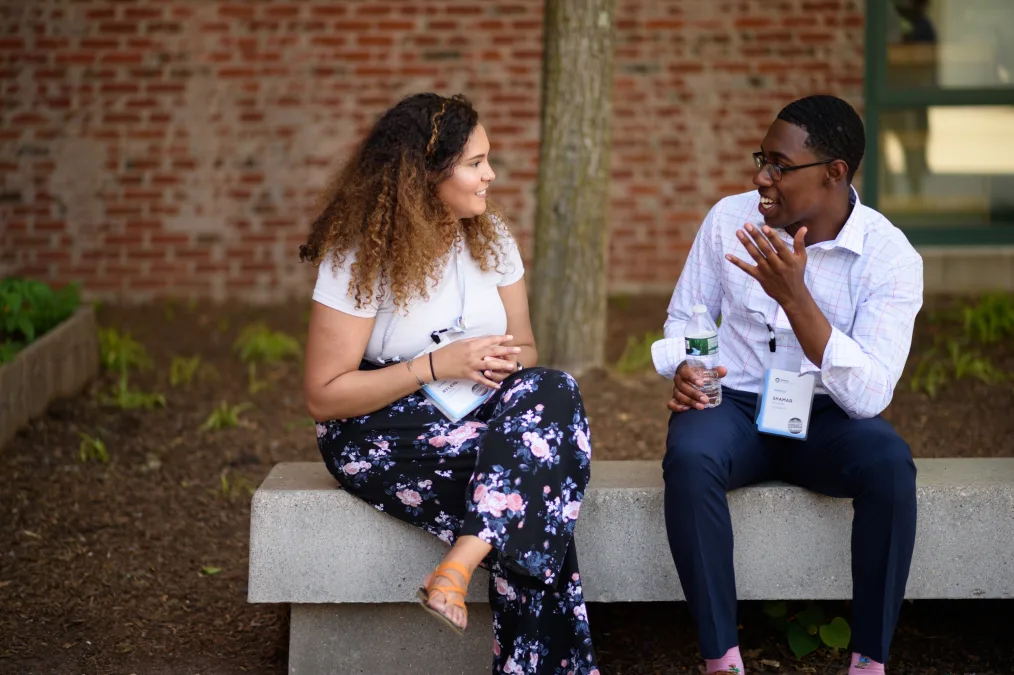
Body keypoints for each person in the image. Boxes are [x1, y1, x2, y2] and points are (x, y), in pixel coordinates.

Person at [300, 92, 599, 675]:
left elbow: (528, 351)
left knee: (554, 388)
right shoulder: (361, 253)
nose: (491, 175)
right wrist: (437, 365)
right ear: (425, 174)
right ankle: (473, 580)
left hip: (480, 410)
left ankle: (458, 565)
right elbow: (323, 395)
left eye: (488, 159)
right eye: (475, 163)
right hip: (381, 428)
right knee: (538, 486)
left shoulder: (492, 239)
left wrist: (492, 367)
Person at [652, 95, 923, 675]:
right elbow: (685, 319)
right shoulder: (730, 218)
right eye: (761, 159)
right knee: (691, 454)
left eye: (779, 165)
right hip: (735, 402)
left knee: (890, 466)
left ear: (834, 174)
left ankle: (870, 661)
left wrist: (797, 299)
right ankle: (721, 658)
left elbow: (870, 395)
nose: (761, 178)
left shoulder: (889, 257)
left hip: (828, 416)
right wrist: (685, 365)